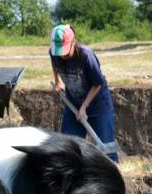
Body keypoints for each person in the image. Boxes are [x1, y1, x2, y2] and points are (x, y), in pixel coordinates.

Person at [48, 24, 118, 162]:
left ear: (73, 42)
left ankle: (112, 175)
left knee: (107, 152)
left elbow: (97, 83)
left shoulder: (86, 56)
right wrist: (58, 81)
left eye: (65, 51)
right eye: (59, 52)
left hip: (98, 106)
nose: (62, 56)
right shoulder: (54, 52)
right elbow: (54, 60)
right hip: (73, 104)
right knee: (68, 148)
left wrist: (84, 106)